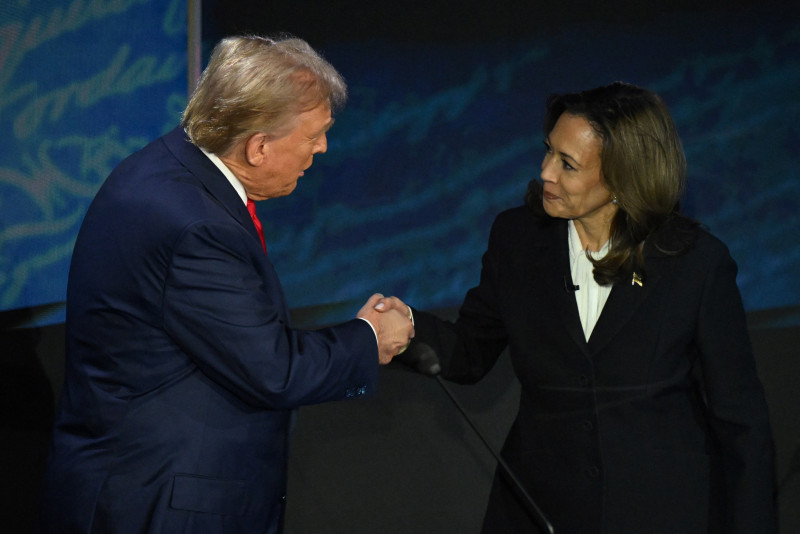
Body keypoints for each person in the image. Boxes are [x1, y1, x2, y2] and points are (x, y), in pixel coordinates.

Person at [37, 35, 414, 534]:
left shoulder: (169, 167)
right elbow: (273, 370)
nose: (322, 147)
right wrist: (370, 336)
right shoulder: (195, 226)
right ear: (258, 146)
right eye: (314, 135)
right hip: (162, 504)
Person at [389, 82, 777, 533]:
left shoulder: (695, 264)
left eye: (567, 164)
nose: (545, 172)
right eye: (548, 151)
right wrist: (408, 329)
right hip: (541, 509)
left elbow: (741, 421)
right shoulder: (517, 239)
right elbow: (472, 349)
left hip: (663, 512)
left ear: (623, 177)